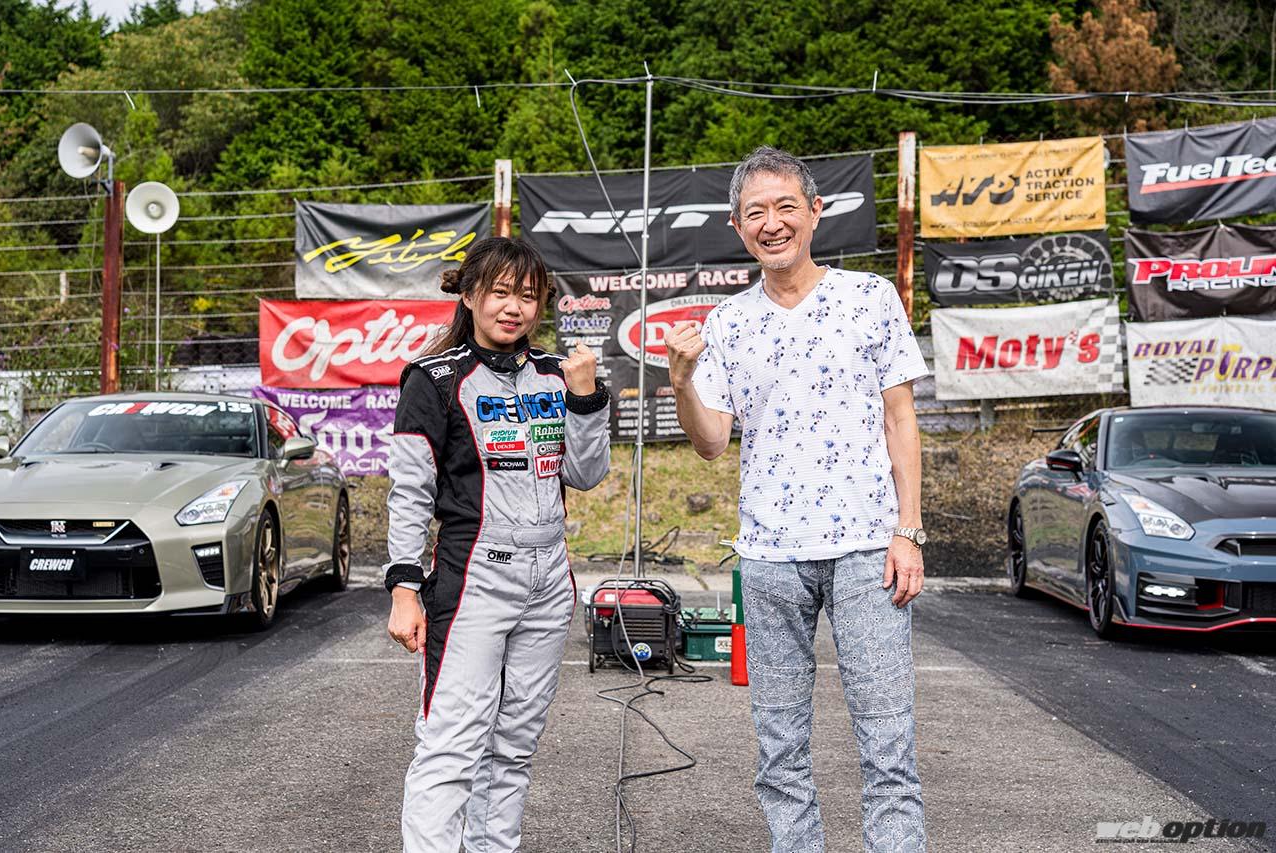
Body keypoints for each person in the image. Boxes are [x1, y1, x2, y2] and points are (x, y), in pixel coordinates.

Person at [666, 147, 929, 853]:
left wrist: (909, 530)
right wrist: (681, 381)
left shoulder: (870, 297)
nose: (772, 223)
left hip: (869, 552)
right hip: (770, 557)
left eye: (786, 206)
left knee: (889, 746)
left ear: (815, 212)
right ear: (737, 226)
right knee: (779, 752)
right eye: (755, 212)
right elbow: (711, 442)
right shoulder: (727, 322)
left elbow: (901, 420)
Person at [383, 236, 611, 853]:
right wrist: (404, 588)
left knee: (513, 746)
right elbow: (410, 491)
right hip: (474, 576)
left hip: (550, 579)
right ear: (470, 294)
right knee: (452, 743)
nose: (514, 307)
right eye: (501, 292)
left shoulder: (557, 374)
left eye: (528, 296)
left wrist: (585, 398)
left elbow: (586, 473)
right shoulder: (432, 379)